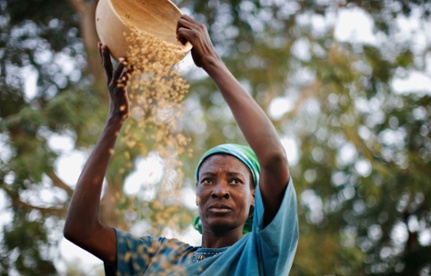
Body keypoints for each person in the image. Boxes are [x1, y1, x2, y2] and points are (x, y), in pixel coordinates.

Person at [64, 14, 298, 275]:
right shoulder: (158, 255)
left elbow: (274, 159)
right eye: (208, 180)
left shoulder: (261, 253)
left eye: (235, 180)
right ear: (196, 195)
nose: (220, 190)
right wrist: (114, 118)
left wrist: (211, 61)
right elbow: (80, 229)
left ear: (254, 197)